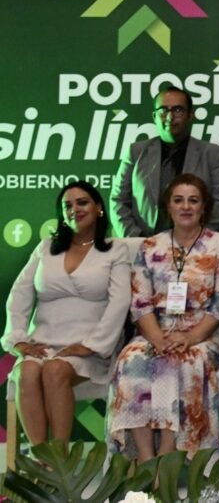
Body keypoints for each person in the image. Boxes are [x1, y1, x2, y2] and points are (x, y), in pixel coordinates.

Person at [107, 174, 219, 462]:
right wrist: (158, 339)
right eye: (179, 200)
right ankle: (145, 457)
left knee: (182, 359)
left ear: (204, 207)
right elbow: (140, 303)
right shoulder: (150, 246)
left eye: (193, 200)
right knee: (131, 359)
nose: (186, 207)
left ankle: (167, 455)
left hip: (208, 333)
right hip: (157, 330)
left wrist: (190, 337)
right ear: (168, 206)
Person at [2, 181, 131, 449]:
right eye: (67, 206)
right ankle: (41, 457)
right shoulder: (46, 247)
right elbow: (19, 295)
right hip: (43, 344)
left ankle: (60, 458)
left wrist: (91, 345)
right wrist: (18, 340)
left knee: (55, 370)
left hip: (90, 349)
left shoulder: (115, 250)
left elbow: (120, 302)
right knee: (26, 370)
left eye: (82, 203)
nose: (74, 210)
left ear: (99, 208)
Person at [110, 86, 219, 237]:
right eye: (163, 111)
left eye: (178, 110)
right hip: (142, 243)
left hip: (197, 246)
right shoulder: (136, 152)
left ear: (190, 115)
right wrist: (138, 240)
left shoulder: (213, 154)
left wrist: (198, 241)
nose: (169, 117)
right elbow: (118, 201)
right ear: (154, 116)